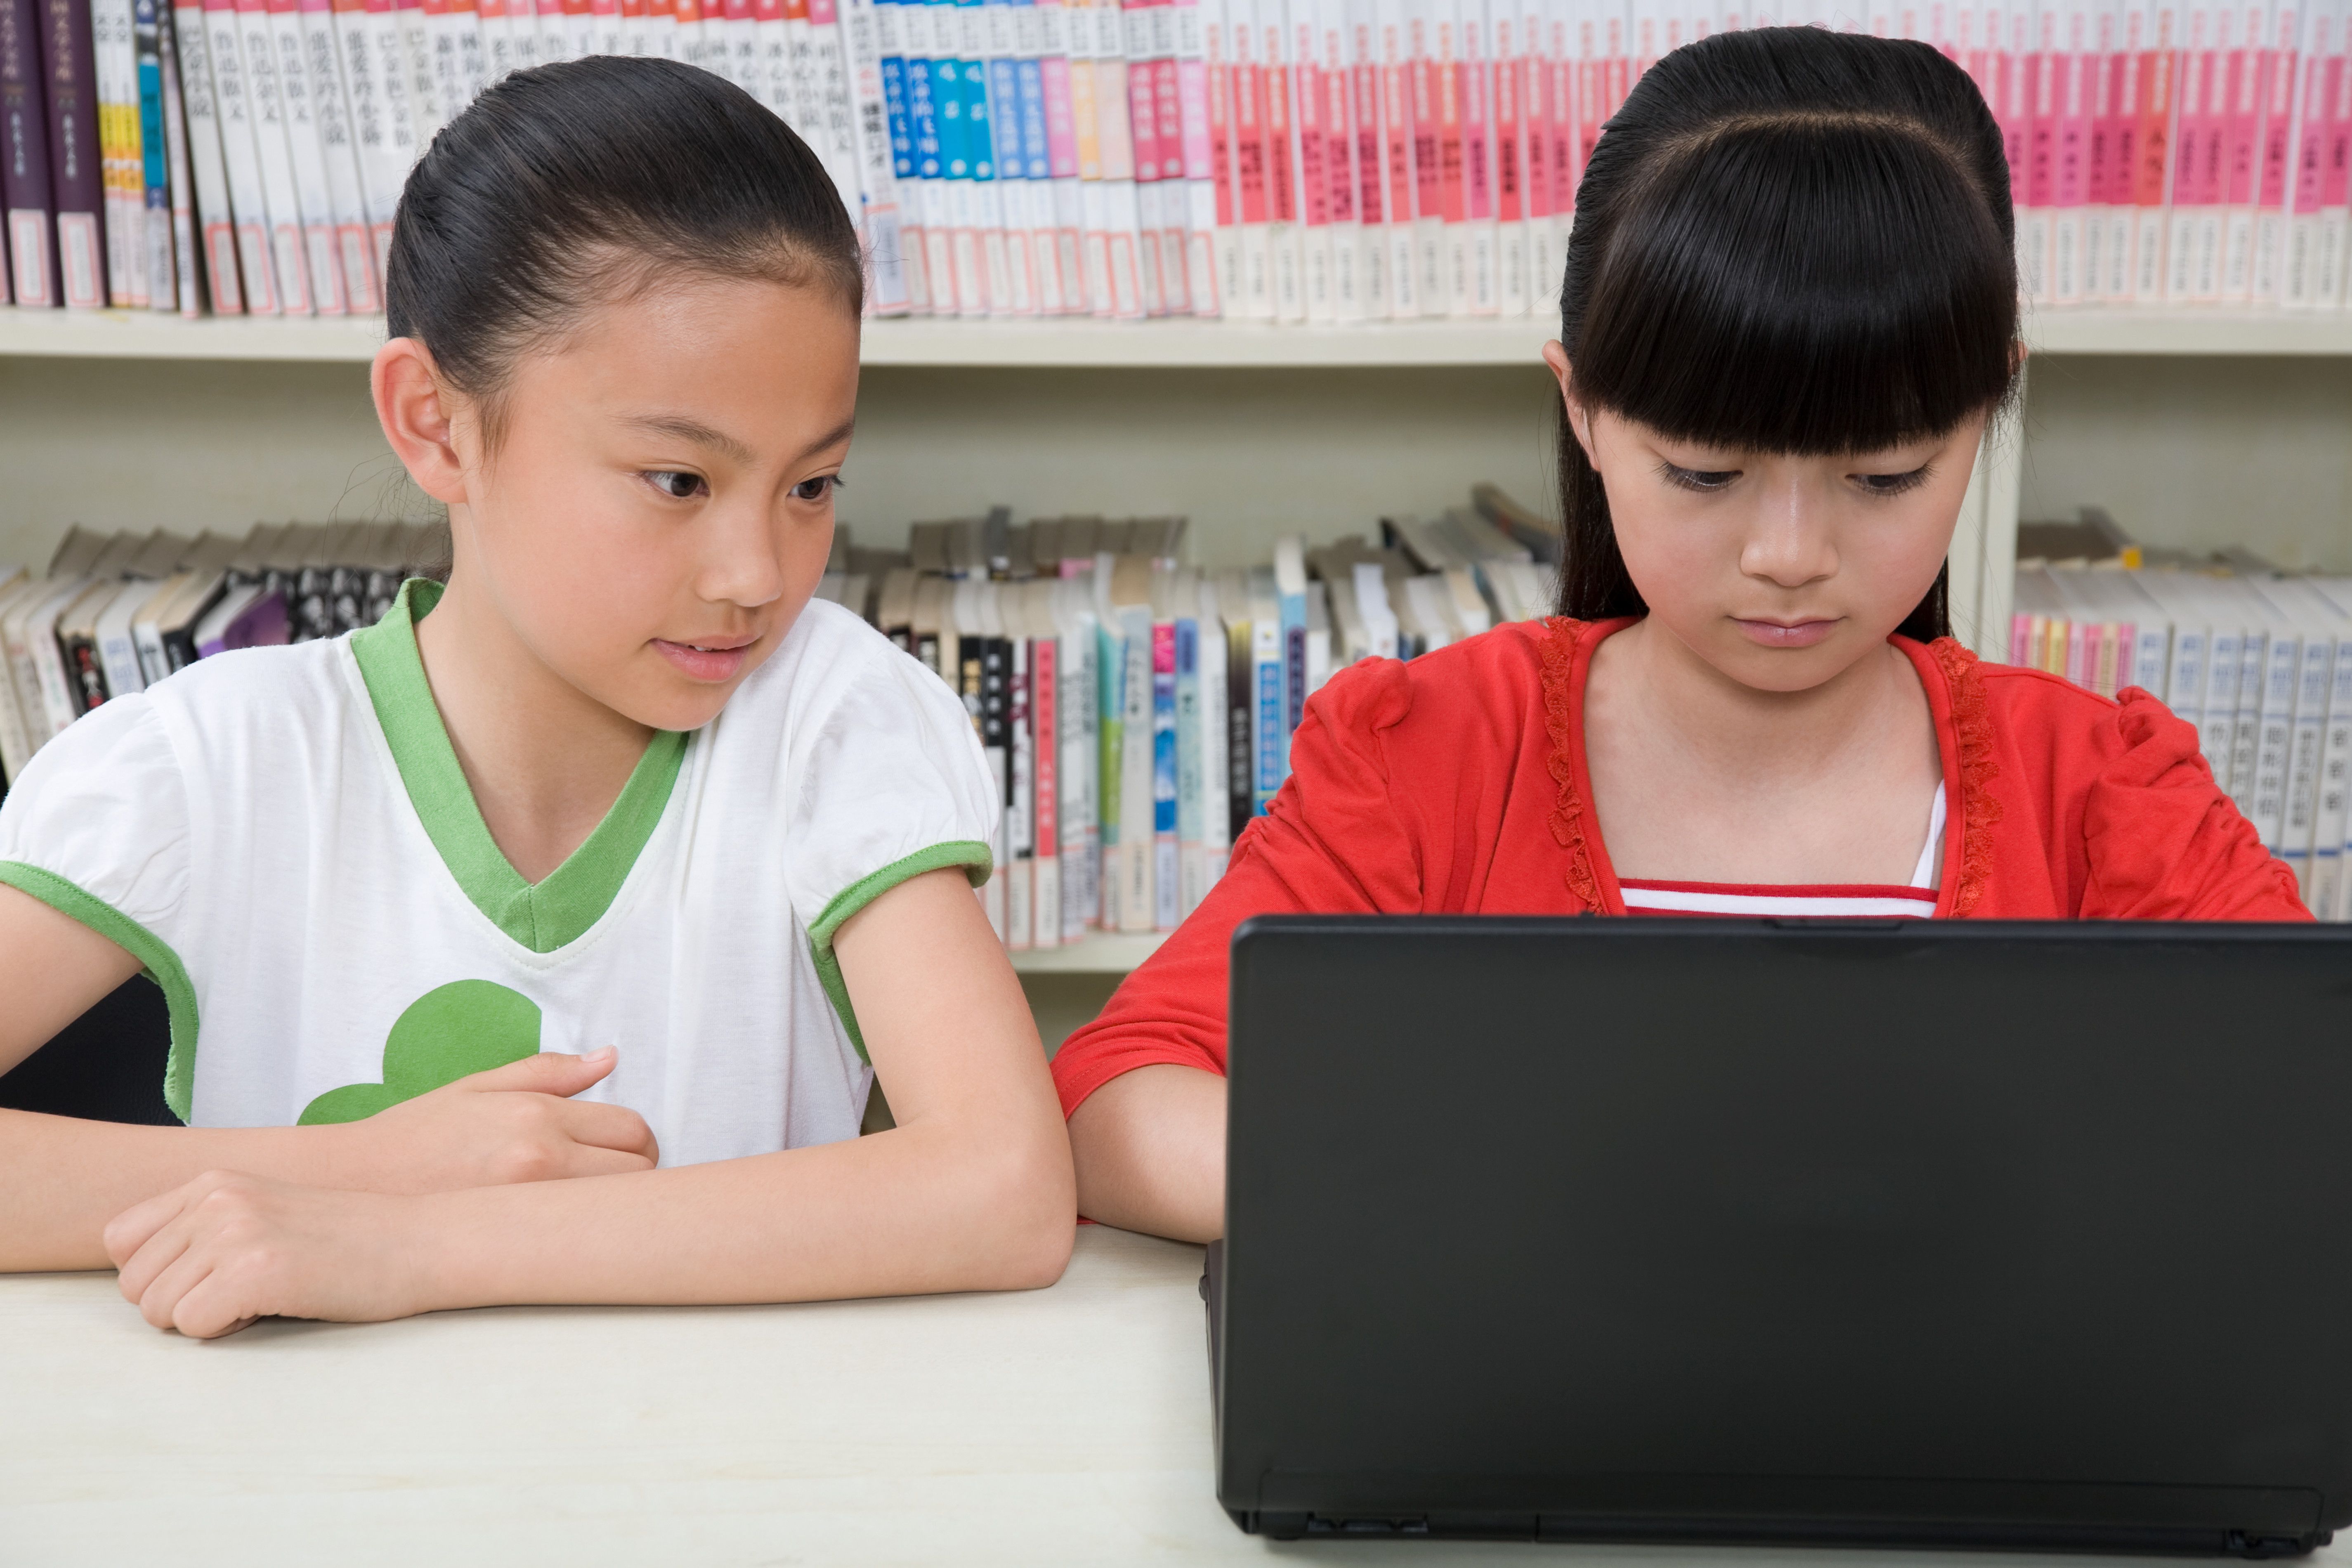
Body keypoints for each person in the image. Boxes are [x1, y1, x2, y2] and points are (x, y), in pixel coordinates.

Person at [1053, 27, 2311, 1245]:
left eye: (1883, 478)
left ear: (1988, 414)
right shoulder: (1428, 755)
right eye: (1705, 474)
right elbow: (1118, 1101)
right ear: (1583, 412)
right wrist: (1500, 1202)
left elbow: (2305, 1114)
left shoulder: (2097, 793)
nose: (1789, 554)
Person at [0, 57, 1074, 1334]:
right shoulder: (212, 761)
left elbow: (1001, 1185)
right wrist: (359, 1170)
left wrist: (421, 1242)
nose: (756, 576)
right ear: (436, 426)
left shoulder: (831, 718)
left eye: (811, 485)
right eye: (679, 481)